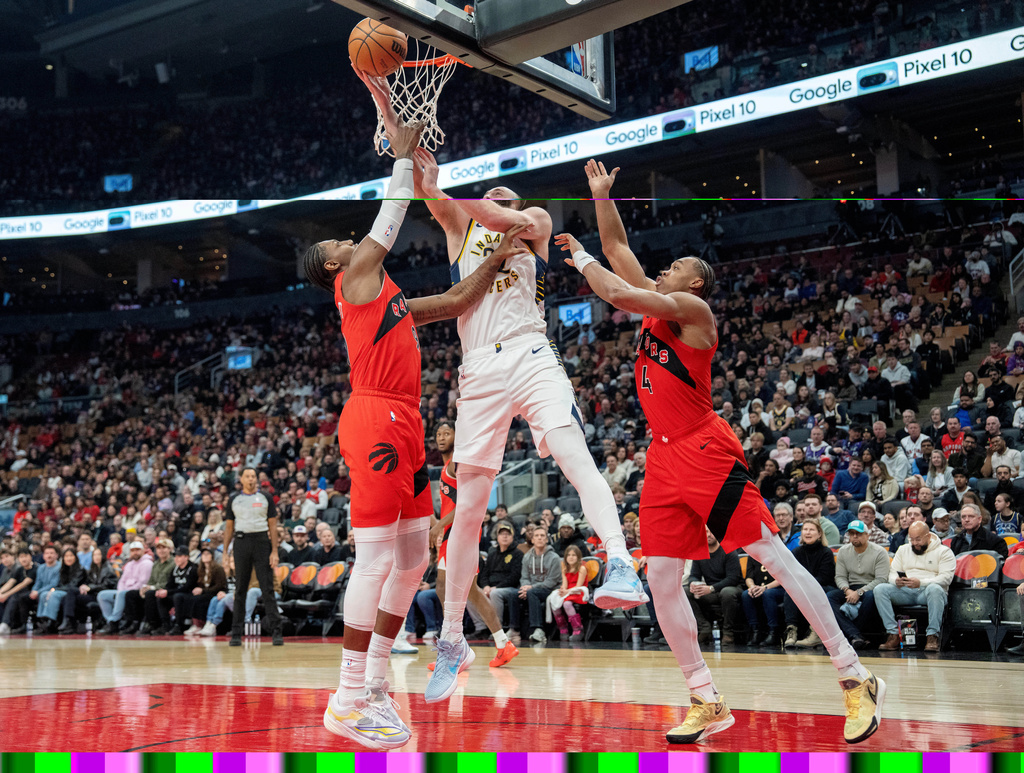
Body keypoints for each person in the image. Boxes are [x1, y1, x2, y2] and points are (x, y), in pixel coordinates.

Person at [551, 159, 884, 746]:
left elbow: (611, 284)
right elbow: (619, 248)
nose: (664, 268)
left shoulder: (695, 314)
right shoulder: (660, 299)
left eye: (675, 266)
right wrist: (602, 197)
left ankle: (854, 677)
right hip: (663, 459)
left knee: (774, 558)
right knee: (661, 581)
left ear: (695, 283)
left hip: (706, 449)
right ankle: (706, 698)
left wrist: (577, 257)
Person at [306, 113, 533, 739]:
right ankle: (347, 697)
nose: (346, 242)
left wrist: (497, 260)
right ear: (331, 268)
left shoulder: (389, 294)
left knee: (412, 559)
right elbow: (384, 228)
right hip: (374, 416)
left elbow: (456, 302)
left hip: (406, 420)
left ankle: (376, 682)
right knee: (376, 557)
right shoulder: (355, 281)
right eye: (336, 246)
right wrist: (402, 160)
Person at [415, 155, 648, 703]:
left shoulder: (535, 223)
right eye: (489, 195)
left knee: (575, 455)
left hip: (530, 351)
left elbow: (489, 212)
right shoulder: (461, 231)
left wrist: (448, 192)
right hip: (477, 368)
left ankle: (618, 562)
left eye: (504, 195)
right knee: (467, 511)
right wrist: (427, 183)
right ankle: (452, 639)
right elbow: (438, 204)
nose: (496, 198)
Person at [423, 420, 519, 668]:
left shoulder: (457, 463)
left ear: (457, 435)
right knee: (468, 591)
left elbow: (467, 503)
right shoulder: (446, 464)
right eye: (439, 433)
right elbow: (450, 506)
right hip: (453, 532)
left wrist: (438, 526)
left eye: (447, 432)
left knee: (446, 587)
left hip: (461, 531)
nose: (442, 437)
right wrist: (436, 524)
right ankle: (501, 643)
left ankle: (455, 648)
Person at [223, 468, 284, 647]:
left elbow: (273, 526)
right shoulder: (234, 499)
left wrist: (274, 550)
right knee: (240, 588)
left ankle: (277, 632)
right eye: (247, 476)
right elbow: (229, 528)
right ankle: (236, 633)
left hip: (261, 542)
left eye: (253, 476)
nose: (251, 479)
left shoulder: (265, 497)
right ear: (241, 479)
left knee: (267, 588)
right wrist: (226, 552)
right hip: (241, 541)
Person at [875, 522, 955, 652]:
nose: (914, 543)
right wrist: (896, 581)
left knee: (935, 589)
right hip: (906, 590)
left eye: (918, 539)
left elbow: (946, 579)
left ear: (928, 536)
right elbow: (891, 573)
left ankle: (932, 635)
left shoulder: (944, 551)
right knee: (880, 589)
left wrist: (921, 582)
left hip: (928, 592)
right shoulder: (903, 549)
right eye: (911, 539)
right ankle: (893, 634)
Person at [827, 520, 890, 649]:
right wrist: (846, 590)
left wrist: (860, 592)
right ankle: (856, 635)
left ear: (867, 535)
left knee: (872, 596)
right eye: (852, 533)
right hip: (850, 587)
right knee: (829, 597)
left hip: (871, 587)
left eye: (859, 534)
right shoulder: (843, 551)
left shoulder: (879, 552)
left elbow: (881, 579)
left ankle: (852, 634)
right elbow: (840, 576)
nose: (855, 536)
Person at [782, 520, 836, 649]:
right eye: (805, 530)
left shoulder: (826, 552)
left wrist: (804, 585)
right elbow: (791, 575)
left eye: (811, 530)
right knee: (790, 590)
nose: (808, 532)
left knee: (811, 591)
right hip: (802, 587)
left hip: (823, 587)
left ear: (819, 534)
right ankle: (792, 631)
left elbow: (824, 577)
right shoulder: (796, 552)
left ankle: (816, 633)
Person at [684, 527, 744, 645]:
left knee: (727, 592)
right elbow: (694, 575)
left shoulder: (728, 551)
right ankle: (704, 627)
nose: (709, 535)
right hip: (711, 591)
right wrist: (693, 584)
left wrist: (711, 588)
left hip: (732, 588)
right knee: (685, 591)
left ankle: (728, 632)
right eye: (706, 532)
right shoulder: (700, 552)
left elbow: (733, 578)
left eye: (712, 531)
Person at [478, 521, 525, 644]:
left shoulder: (517, 554)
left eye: (507, 534)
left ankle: (497, 630)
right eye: (502, 534)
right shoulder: (492, 553)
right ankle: (481, 627)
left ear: (512, 537)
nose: (504, 536)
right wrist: (486, 586)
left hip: (510, 588)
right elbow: (484, 574)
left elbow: (515, 577)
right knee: (472, 595)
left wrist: (496, 587)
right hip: (492, 587)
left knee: (495, 594)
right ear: (497, 537)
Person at [96, 542, 152, 635]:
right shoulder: (130, 564)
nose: (135, 552)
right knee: (102, 595)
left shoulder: (147, 563)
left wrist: (124, 591)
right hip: (123, 591)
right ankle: (110, 621)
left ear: (143, 551)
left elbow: (143, 583)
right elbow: (121, 581)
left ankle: (114, 621)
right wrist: (121, 590)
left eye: (137, 550)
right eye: (133, 550)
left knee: (122, 594)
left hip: (137, 592)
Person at [548, 545, 588, 641]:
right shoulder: (565, 569)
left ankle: (578, 628)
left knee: (567, 604)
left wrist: (567, 591)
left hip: (579, 592)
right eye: (568, 555)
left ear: (578, 557)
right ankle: (563, 628)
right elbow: (565, 585)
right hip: (568, 592)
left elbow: (579, 586)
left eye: (574, 555)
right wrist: (562, 590)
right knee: (554, 602)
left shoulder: (582, 568)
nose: (571, 557)